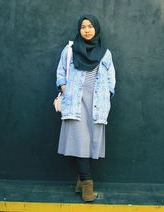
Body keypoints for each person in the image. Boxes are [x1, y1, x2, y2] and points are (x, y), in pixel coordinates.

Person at [56, 14, 116, 202]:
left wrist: (108, 94)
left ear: (96, 29)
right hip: (76, 103)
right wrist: (65, 89)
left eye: (90, 26)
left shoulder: (105, 53)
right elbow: (60, 73)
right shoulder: (70, 50)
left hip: (97, 103)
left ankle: (81, 182)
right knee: (81, 141)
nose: (87, 30)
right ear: (79, 30)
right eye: (83, 27)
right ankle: (88, 184)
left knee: (90, 143)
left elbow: (111, 78)